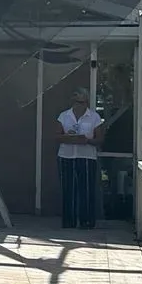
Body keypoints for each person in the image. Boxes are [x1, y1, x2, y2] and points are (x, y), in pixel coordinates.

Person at [55, 86, 103, 229]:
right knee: (68, 189)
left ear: (86, 102)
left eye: (81, 103)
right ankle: (68, 221)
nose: (78, 105)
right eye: (76, 102)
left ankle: (86, 221)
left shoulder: (94, 117)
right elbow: (56, 136)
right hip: (66, 156)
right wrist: (67, 137)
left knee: (86, 189)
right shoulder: (64, 116)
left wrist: (87, 140)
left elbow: (100, 139)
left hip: (86, 156)